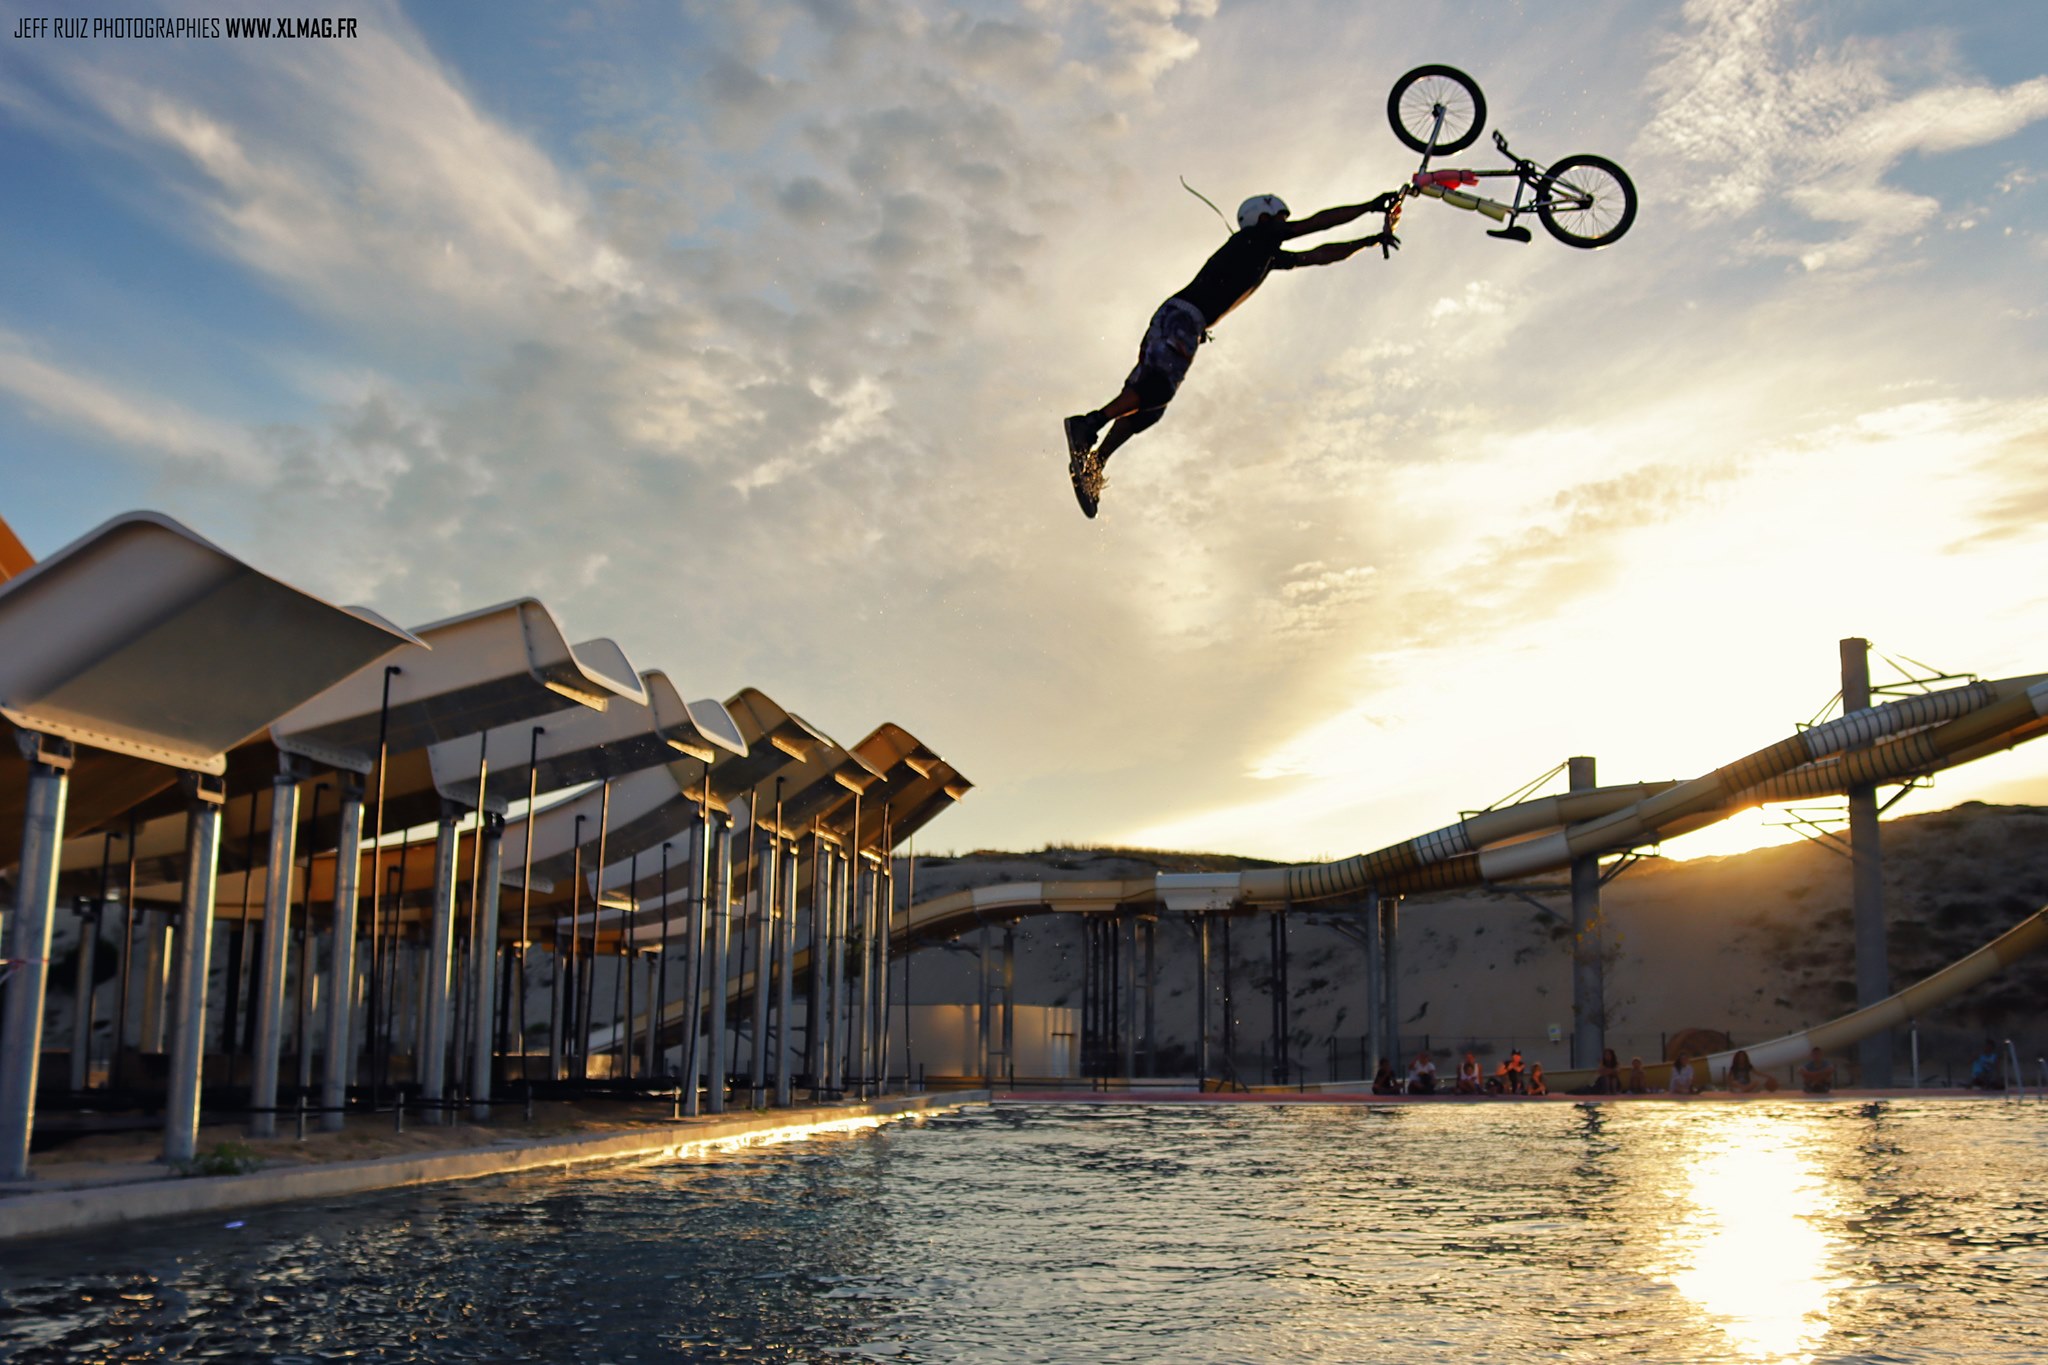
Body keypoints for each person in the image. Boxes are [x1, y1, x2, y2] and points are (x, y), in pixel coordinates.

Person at [1062, 190, 1403, 517]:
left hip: (1186, 323)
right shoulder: (1251, 240)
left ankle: (1095, 462)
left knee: (1151, 409)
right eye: (1282, 218)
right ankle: (1087, 424)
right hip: (1182, 316)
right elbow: (1316, 224)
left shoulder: (1265, 254)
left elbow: (1317, 255)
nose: (1287, 224)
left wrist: (1369, 240)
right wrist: (1370, 206)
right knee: (1157, 389)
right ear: (1264, 217)